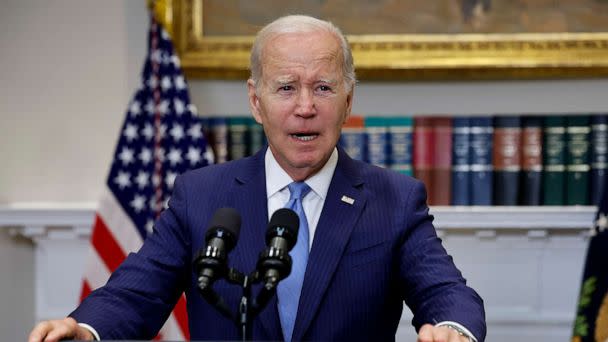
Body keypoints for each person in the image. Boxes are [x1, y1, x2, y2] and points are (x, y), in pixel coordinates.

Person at [29, 15, 486, 342]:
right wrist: (86, 330)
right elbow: (138, 291)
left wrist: (454, 330)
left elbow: (446, 291)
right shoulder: (203, 195)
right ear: (256, 100)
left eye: (323, 87)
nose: (305, 106)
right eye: (286, 87)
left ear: (348, 101)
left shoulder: (393, 199)